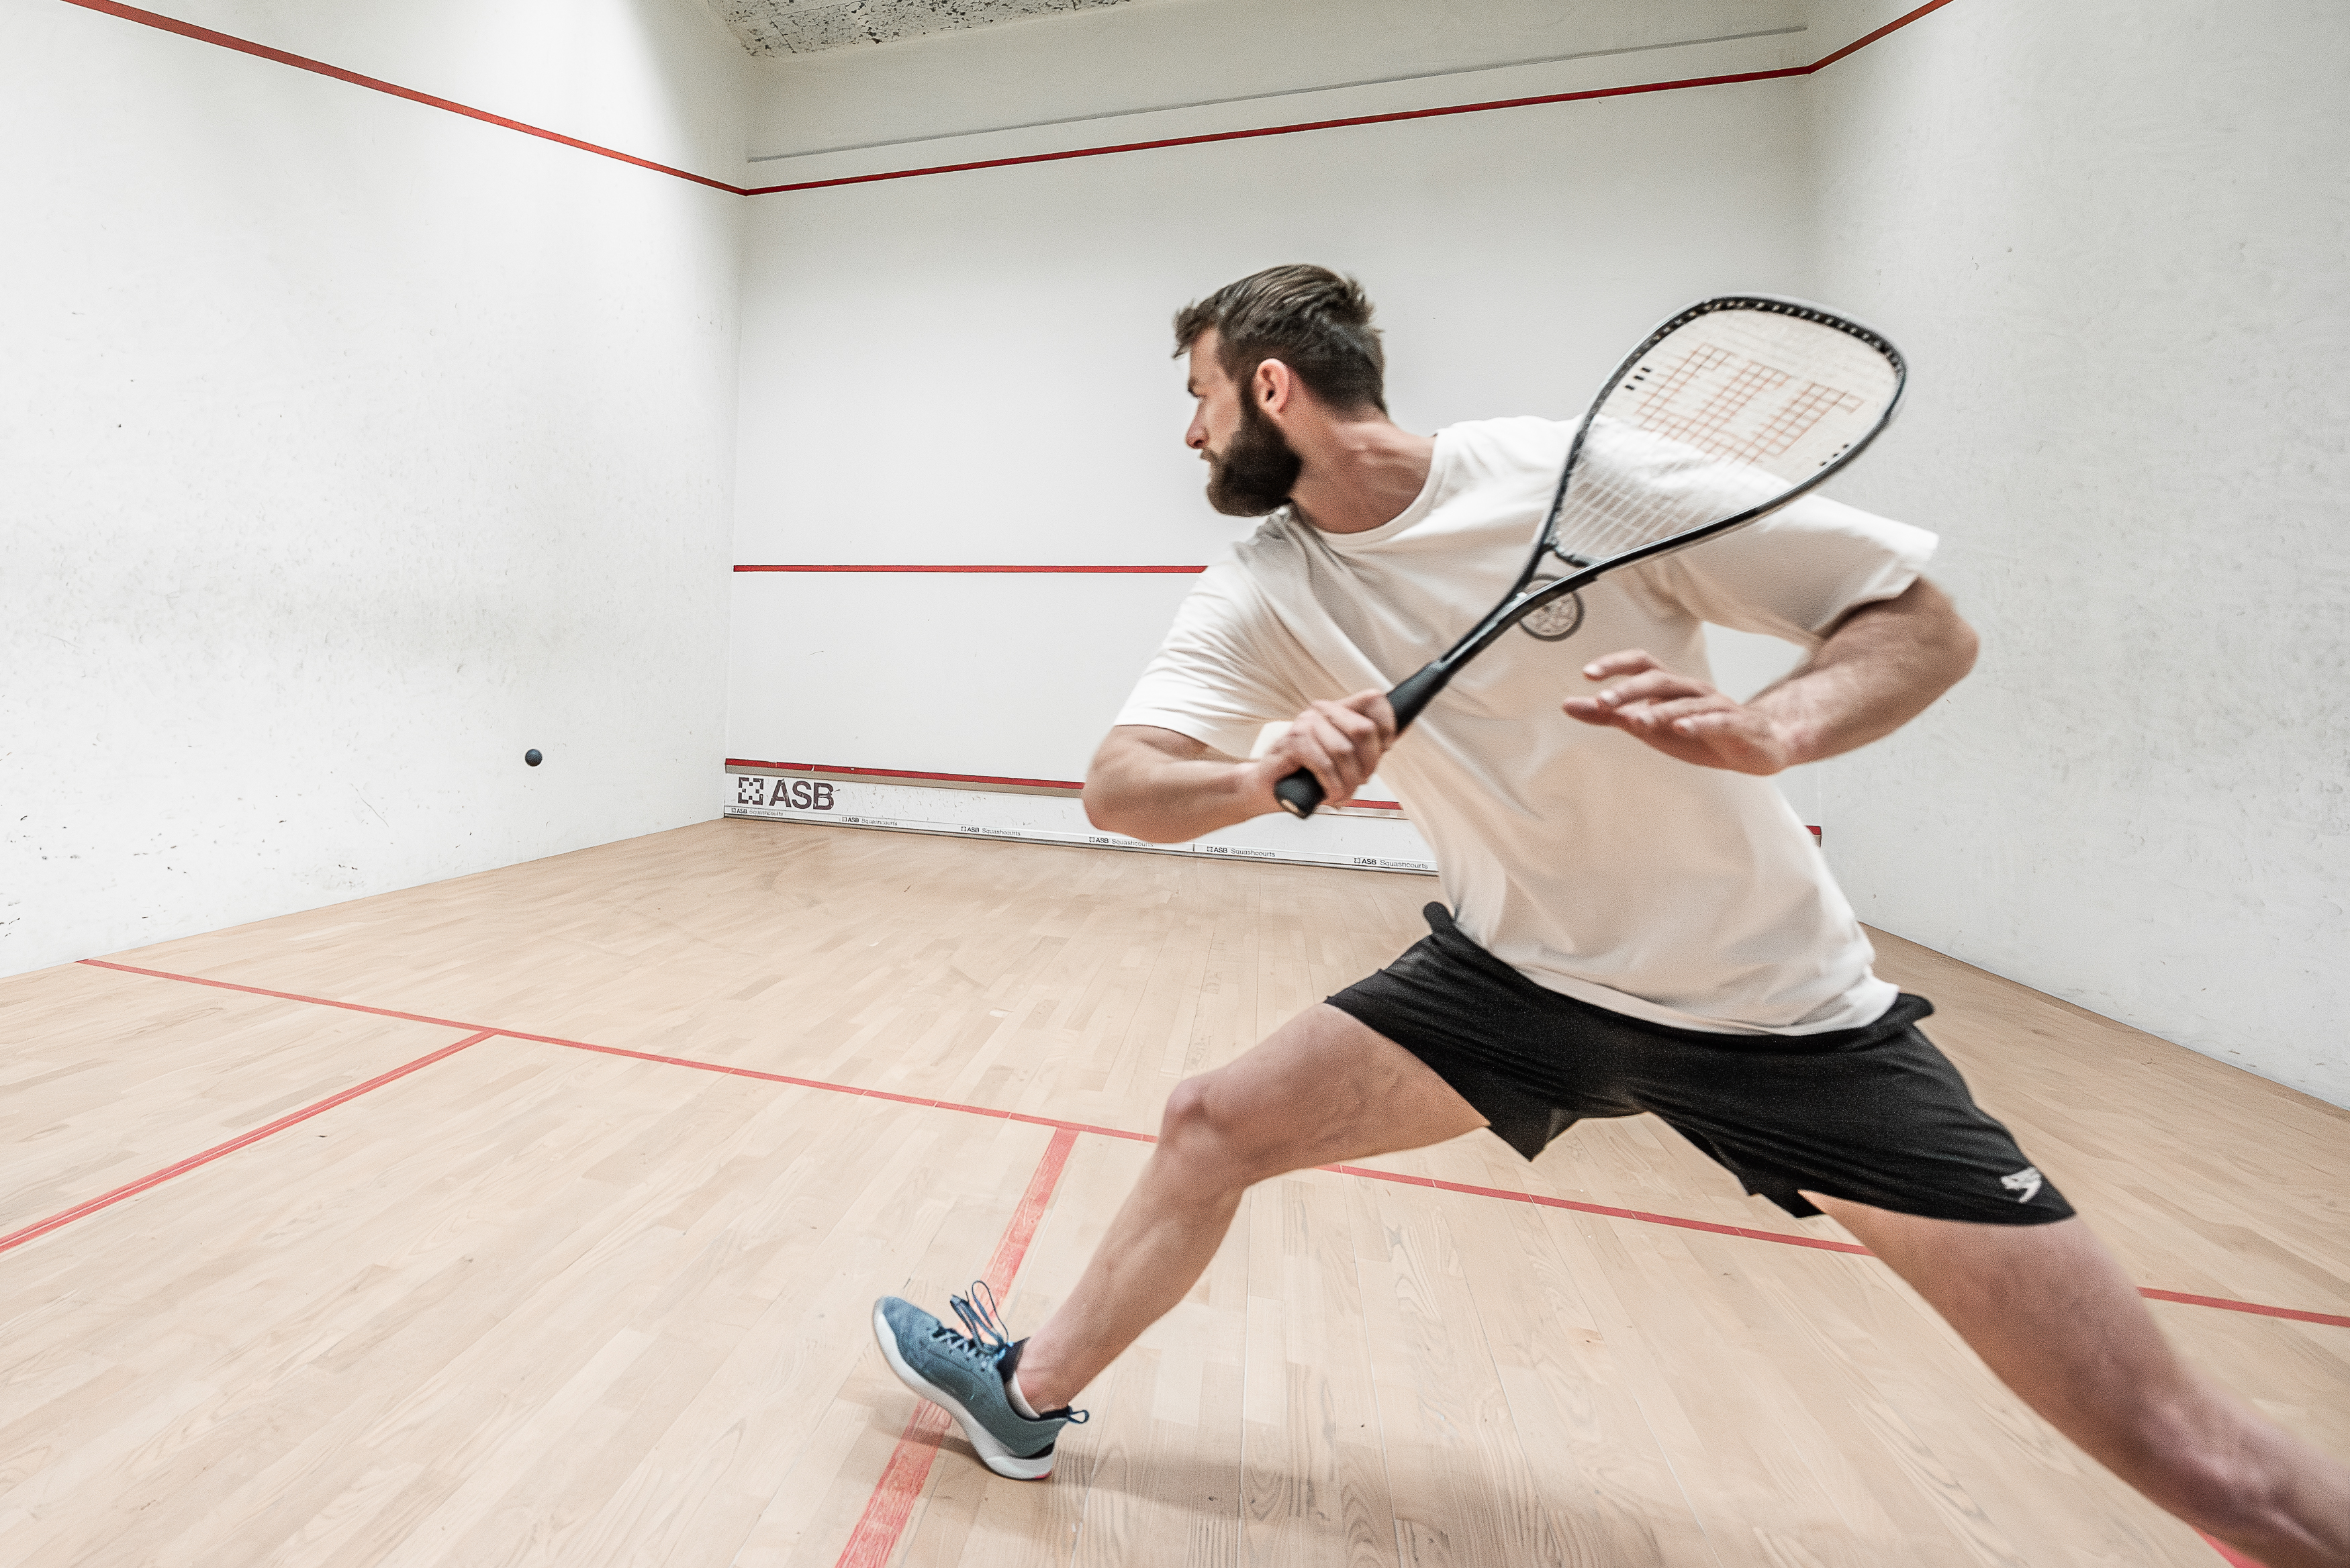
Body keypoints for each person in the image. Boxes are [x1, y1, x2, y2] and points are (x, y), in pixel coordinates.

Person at [871, 264, 2349, 1566]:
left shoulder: (1589, 481)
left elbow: (1917, 623)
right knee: (1213, 1122)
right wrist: (1259, 774)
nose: (1187, 434)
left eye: (1197, 397)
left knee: (2190, 1453)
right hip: (1512, 981)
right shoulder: (1270, 582)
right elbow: (1122, 787)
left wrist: (1776, 727)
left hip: (1780, 1019)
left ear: (1272, 386)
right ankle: (1025, 1394)